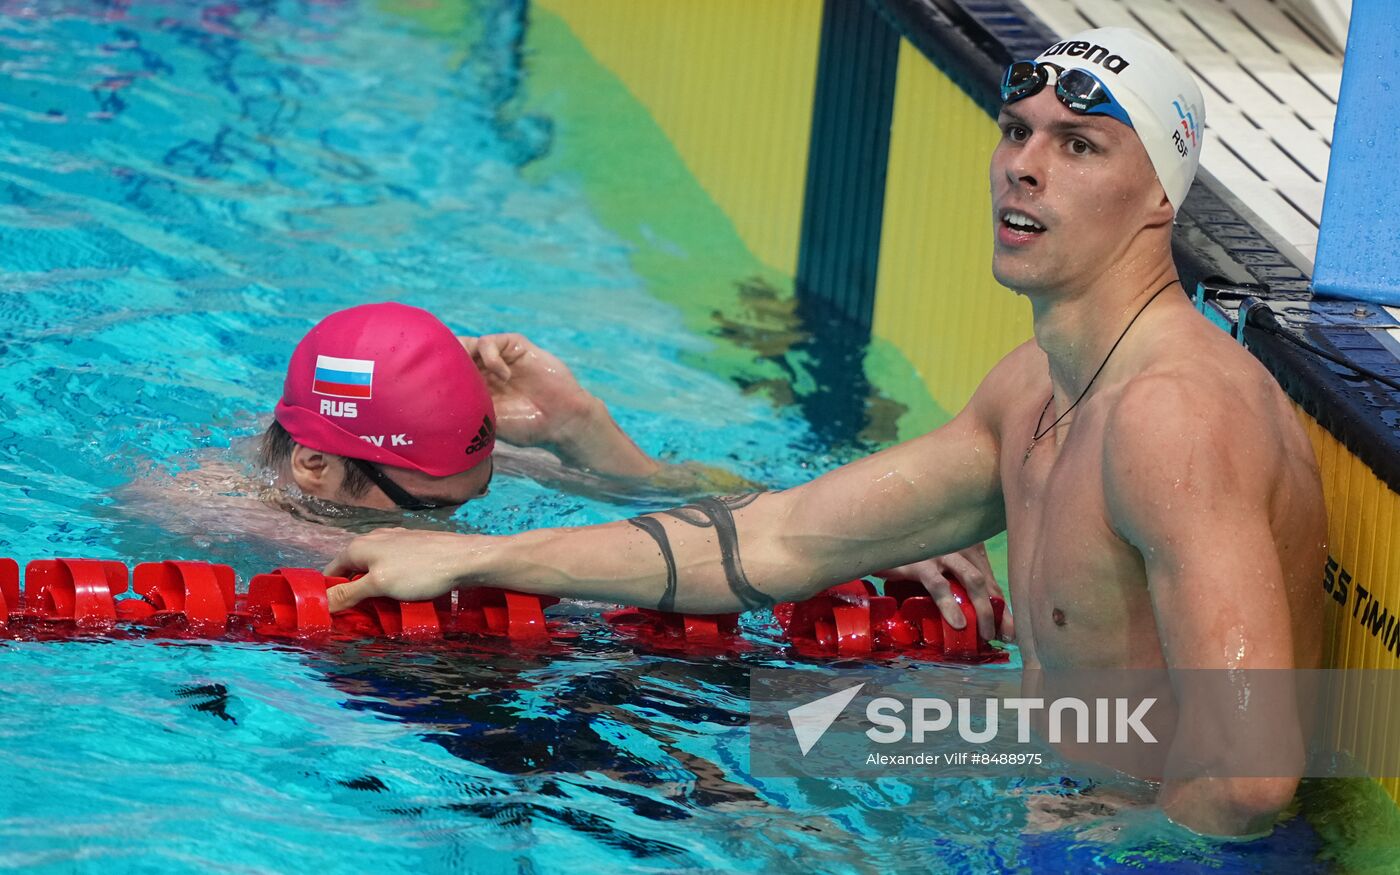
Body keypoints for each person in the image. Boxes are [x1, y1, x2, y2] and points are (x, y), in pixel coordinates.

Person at [323, 28, 1326, 835]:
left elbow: (1245, 773)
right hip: (1050, 773)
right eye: (1013, 130)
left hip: (1157, 850)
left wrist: (1079, 848)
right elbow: (777, 537)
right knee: (664, 744)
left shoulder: (1172, 415)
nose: (1021, 168)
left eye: (1077, 146)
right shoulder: (1035, 384)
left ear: (1160, 197)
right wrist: (479, 553)